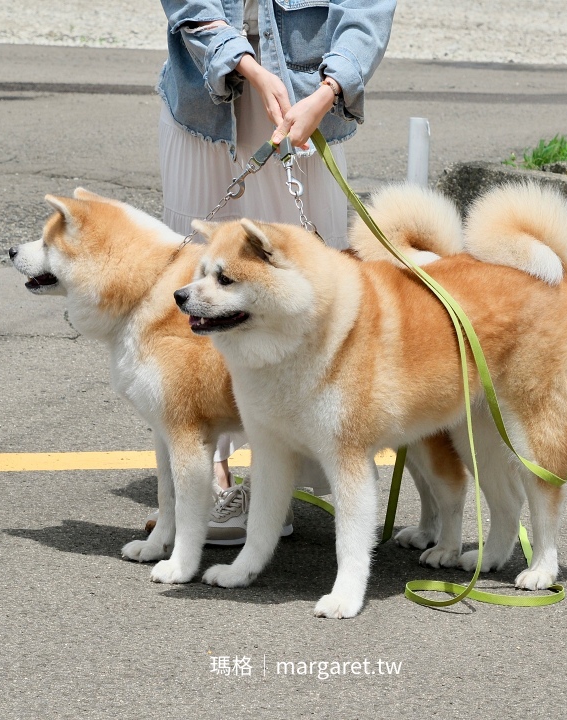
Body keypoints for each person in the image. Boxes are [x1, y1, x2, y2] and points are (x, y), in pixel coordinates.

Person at [155, 0, 397, 541]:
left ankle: (276, 478)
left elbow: (367, 11)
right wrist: (250, 67)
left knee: (299, 298)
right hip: (205, 102)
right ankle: (210, 474)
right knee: (201, 300)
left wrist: (329, 91)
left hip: (305, 102)